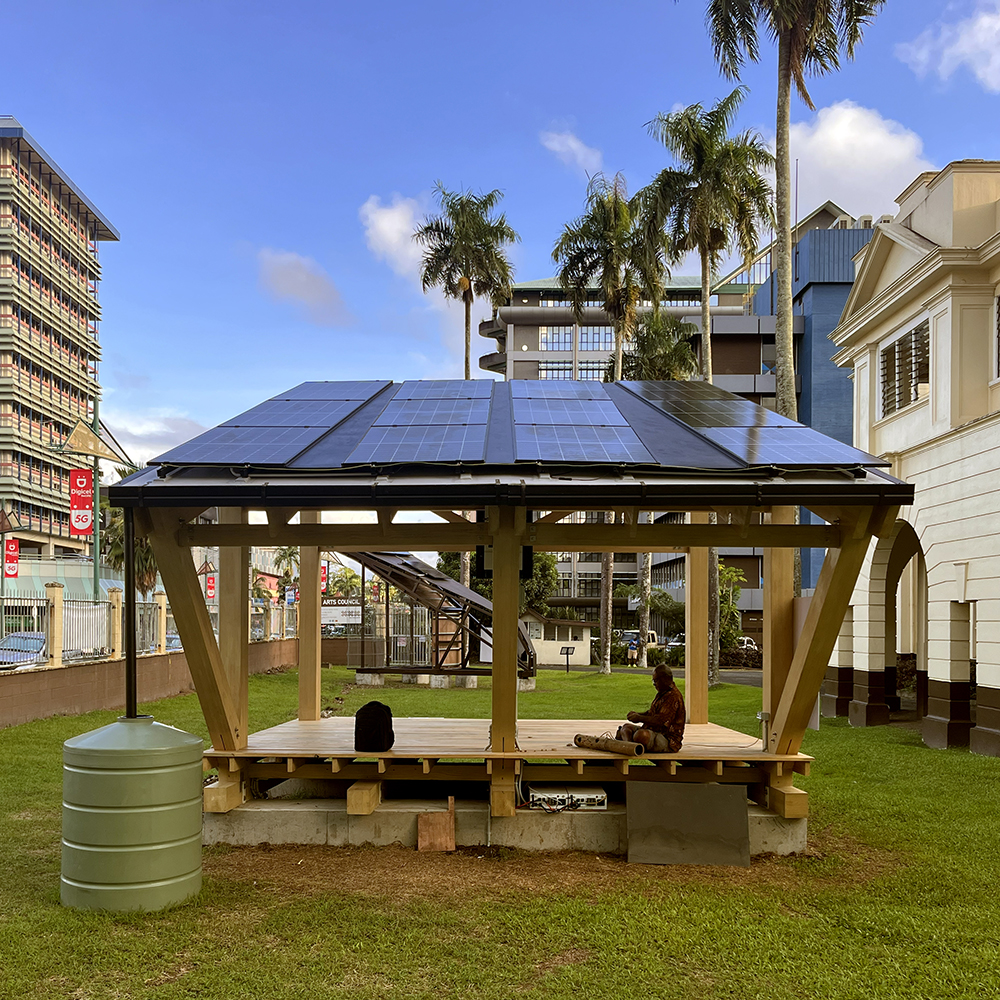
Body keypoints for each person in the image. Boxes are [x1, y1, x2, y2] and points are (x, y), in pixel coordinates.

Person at [616, 664, 685, 753]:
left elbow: (661, 721)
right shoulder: (662, 693)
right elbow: (652, 713)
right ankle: (630, 747)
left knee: (642, 735)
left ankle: (630, 746)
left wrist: (639, 718)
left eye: (655, 681)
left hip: (667, 739)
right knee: (626, 728)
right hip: (653, 731)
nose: (654, 684)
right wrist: (637, 714)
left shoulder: (673, 696)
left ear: (664, 679)